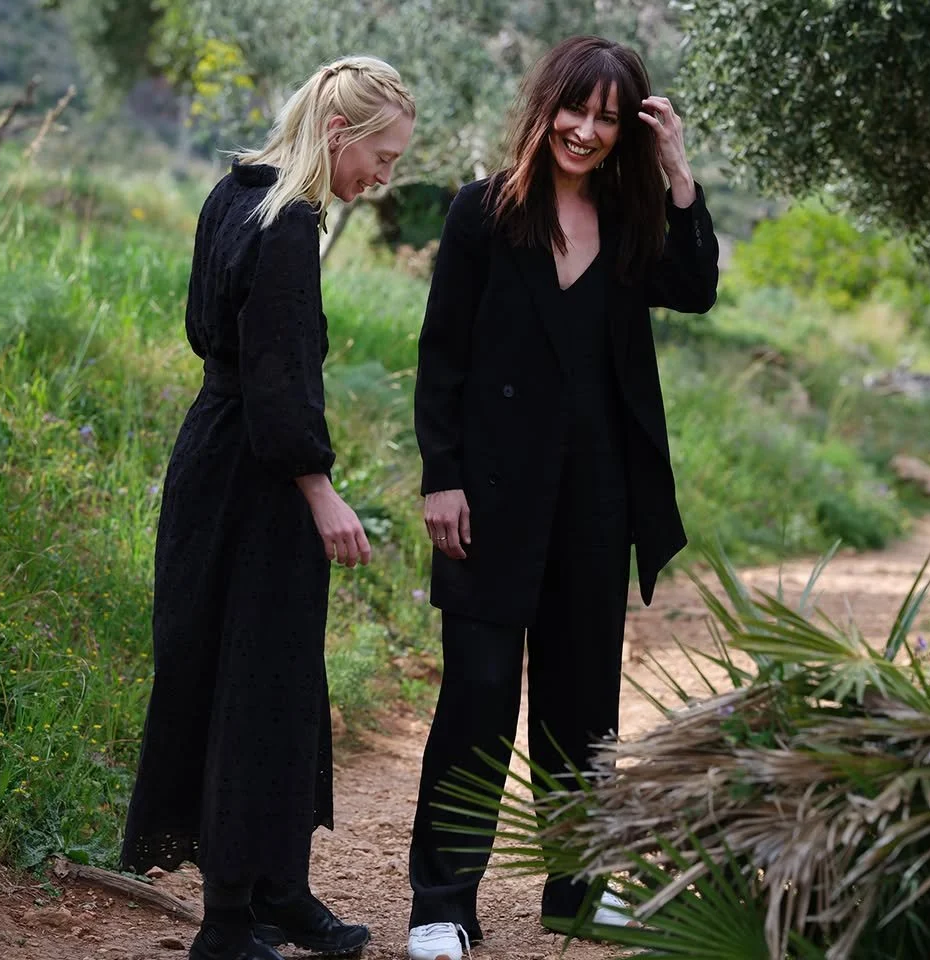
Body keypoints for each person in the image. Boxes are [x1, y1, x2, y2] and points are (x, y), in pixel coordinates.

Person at [405, 35, 719, 960]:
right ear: (545, 107)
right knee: (477, 695)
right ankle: (441, 906)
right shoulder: (481, 213)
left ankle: (579, 894)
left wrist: (678, 172)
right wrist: (441, 475)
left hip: (597, 499)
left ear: (628, 132)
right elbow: (441, 356)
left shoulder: (633, 223)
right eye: (575, 109)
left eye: (608, 119)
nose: (586, 130)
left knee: (583, 707)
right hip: (488, 498)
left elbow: (696, 288)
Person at [118, 56, 415, 960]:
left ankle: (279, 892)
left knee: (254, 677)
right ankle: (228, 924)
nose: (384, 177)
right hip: (258, 479)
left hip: (211, 456)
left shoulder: (235, 193)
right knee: (254, 686)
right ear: (339, 133)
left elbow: (210, 337)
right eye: (383, 157)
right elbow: (279, 379)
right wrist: (320, 491)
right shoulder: (285, 222)